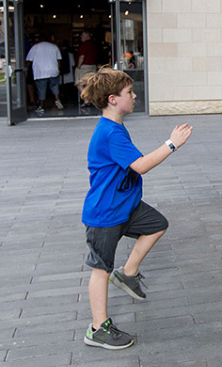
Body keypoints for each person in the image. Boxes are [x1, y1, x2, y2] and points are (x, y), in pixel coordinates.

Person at [78, 68, 193, 349]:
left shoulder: (115, 127)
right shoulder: (109, 133)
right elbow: (141, 165)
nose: (135, 95)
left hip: (125, 206)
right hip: (105, 213)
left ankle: (127, 274)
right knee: (100, 269)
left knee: (157, 224)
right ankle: (97, 328)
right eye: (130, 92)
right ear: (113, 99)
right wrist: (171, 144)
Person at [26, 34, 63, 113]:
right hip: (53, 70)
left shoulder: (35, 47)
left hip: (40, 72)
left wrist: (25, 69)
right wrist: (58, 70)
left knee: (41, 89)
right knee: (55, 86)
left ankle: (41, 106)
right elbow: (59, 60)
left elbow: (29, 60)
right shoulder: (54, 47)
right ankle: (57, 100)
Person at [75, 31, 97, 110]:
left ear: (87, 36)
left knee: (79, 83)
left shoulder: (84, 45)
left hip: (84, 66)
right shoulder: (93, 44)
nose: (81, 38)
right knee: (89, 84)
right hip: (92, 66)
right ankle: (91, 99)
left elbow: (82, 56)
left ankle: (86, 100)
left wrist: (78, 66)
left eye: (82, 36)